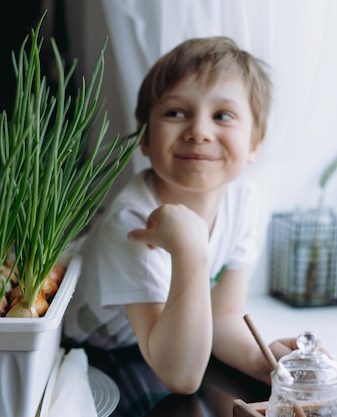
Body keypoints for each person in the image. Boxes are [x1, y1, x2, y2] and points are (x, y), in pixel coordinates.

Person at [63, 36, 297, 396]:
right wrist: (190, 250)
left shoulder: (244, 201)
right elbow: (181, 376)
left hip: (156, 343)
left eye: (223, 115)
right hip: (88, 354)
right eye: (175, 113)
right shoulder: (134, 222)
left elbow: (223, 316)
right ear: (144, 137)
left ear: (254, 143)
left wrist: (259, 360)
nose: (199, 132)